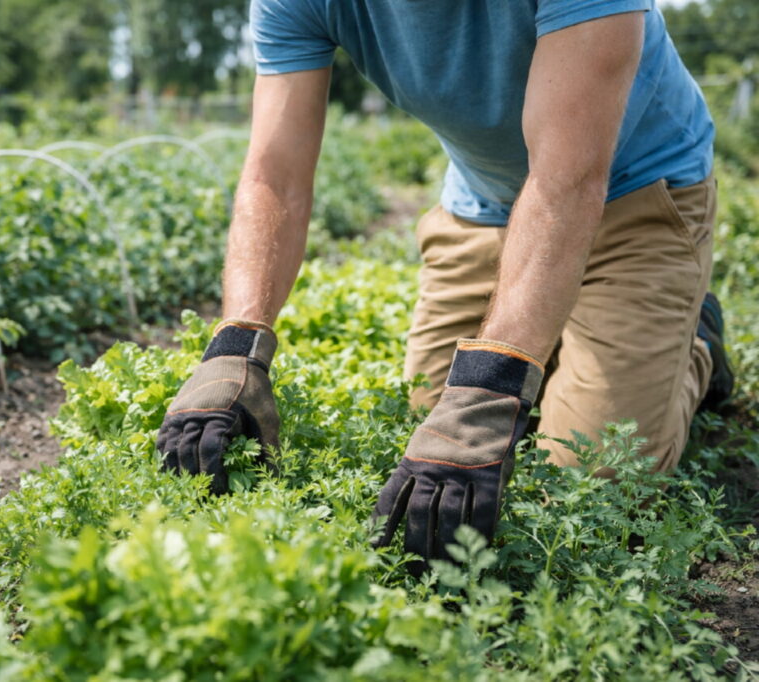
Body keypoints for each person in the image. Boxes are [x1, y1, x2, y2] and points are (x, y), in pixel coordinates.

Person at [155, 0, 735, 573]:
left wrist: (492, 385)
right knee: (430, 414)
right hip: (484, 207)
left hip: (635, 192)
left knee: (595, 483)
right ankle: (561, 346)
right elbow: (274, 175)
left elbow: (570, 174)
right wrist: (236, 345)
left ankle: (696, 345)